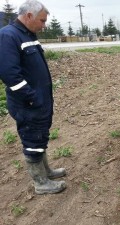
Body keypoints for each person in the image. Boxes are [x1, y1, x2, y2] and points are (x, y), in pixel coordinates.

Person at [0, 0, 66, 194]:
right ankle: (40, 183)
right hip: (27, 103)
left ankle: (46, 172)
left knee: (40, 136)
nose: (44, 25)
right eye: (42, 21)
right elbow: (9, 74)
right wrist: (31, 97)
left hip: (38, 100)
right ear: (29, 16)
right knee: (33, 139)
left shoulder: (27, 34)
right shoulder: (8, 36)